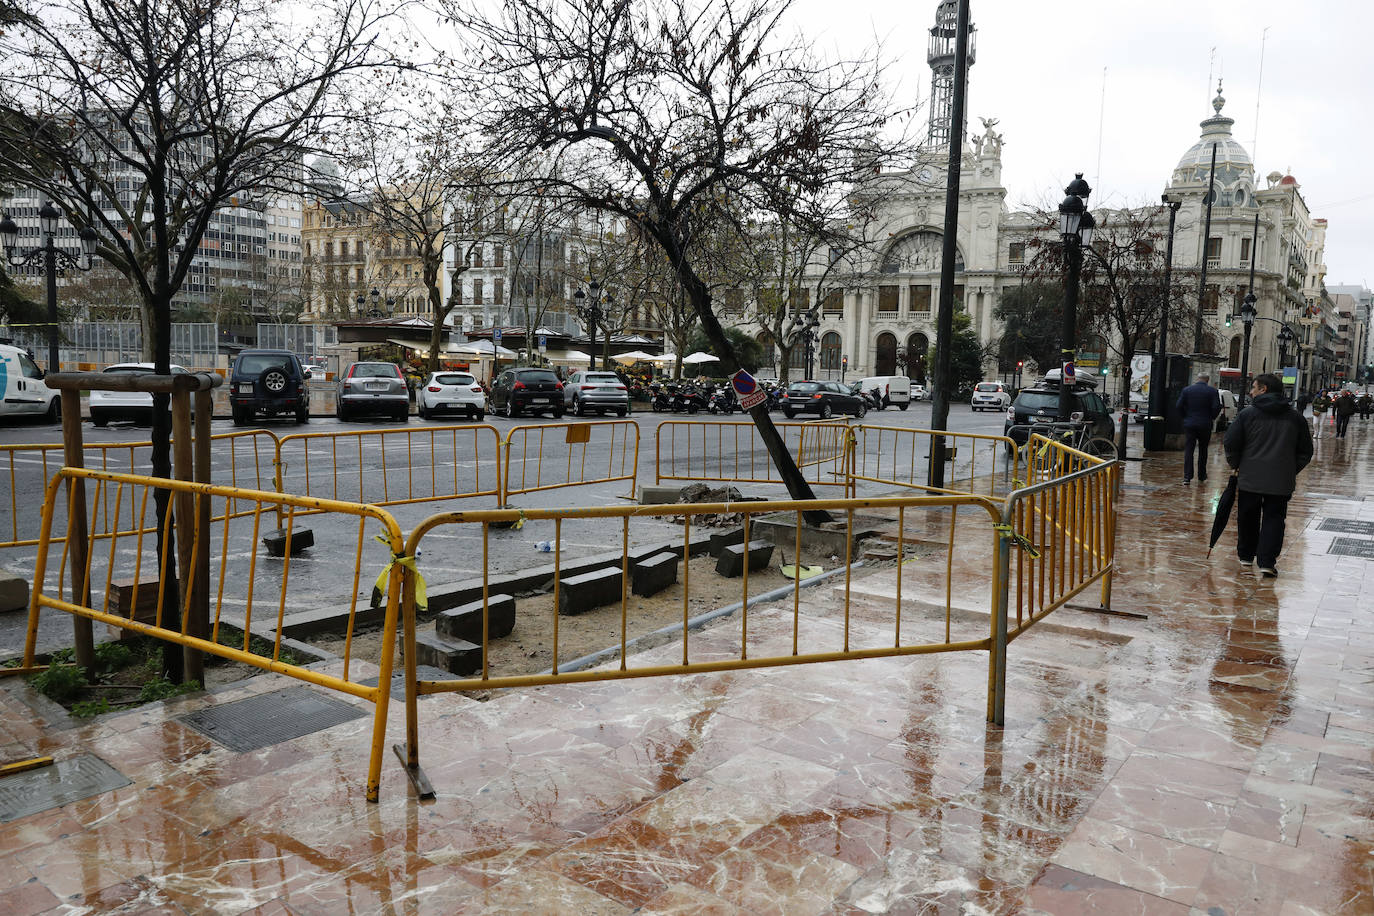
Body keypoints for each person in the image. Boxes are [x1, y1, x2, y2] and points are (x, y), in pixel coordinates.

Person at [1223, 373, 1313, 578]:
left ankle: (1246, 555)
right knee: (1274, 518)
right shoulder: (1295, 418)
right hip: (1281, 480)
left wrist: (1236, 465)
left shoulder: (1247, 414)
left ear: (1264, 389)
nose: (1251, 392)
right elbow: (1306, 451)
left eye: (1254, 388)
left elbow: (1231, 442)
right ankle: (1267, 562)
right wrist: (1290, 469)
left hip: (1250, 477)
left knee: (1247, 516)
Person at [1176, 374, 1222, 484]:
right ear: (1208, 380)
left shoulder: (1187, 390)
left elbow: (1178, 406)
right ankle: (1201, 475)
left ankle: (1187, 476)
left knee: (1189, 449)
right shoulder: (1212, 391)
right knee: (1203, 449)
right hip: (1205, 424)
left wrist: (1185, 417)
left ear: (1197, 379)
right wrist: (1211, 417)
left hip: (1190, 423)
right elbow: (1216, 407)